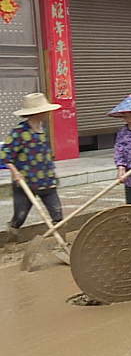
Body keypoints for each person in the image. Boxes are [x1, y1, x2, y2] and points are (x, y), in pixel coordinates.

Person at [0, 93, 63, 249]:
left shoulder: (44, 130)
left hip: (47, 182)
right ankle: (10, 241)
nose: (46, 114)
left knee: (57, 215)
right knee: (19, 216)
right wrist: (15, 172)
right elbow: (5, 154)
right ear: (36, 113)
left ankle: (61, 244)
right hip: (26, 184)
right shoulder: (20, 132)